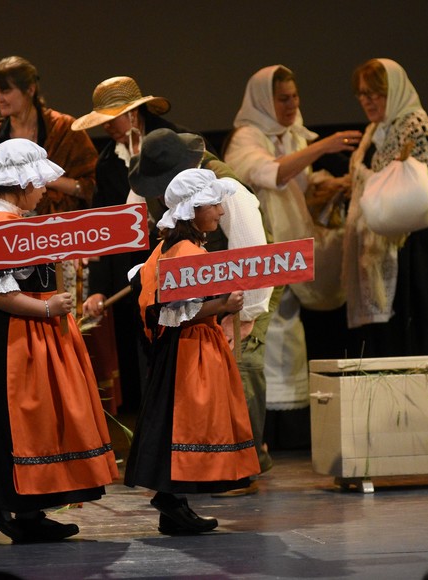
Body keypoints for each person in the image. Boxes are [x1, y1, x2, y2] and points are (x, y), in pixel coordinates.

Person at [0, 139, 118, 543]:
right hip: (15, 338)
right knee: (22, 421)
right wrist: (46, 309)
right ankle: (17, 507)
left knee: (23, 423)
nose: (45, 189)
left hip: (15, 336)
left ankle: (28, 511)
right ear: (20, 182)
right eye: (39, 182)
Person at [125, 128, 275, 479]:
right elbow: (171, 298)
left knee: (242, 368)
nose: (219, 211)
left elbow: (252, 253)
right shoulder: (183, 244)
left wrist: (247, 312)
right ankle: (205, 469)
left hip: (242, 291)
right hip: (200, 314)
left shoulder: (228, 192)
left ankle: (245, 463)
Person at [224, 65, 362, 444]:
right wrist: (324, 145)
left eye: (295, 97)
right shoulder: (246, 137)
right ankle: (264, 430)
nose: (291, 104)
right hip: (259, 249)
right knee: (267, 332)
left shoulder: (291, 135)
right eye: (283, 98)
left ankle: (292, 427)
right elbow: (273, 174)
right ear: (265, 101)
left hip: (289, 249)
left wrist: (333, 183)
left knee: (290, 332)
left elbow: (301, 184)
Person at [125, 168, 260, 535]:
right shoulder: (184, 251)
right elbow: (173, 314)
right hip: (188, 350)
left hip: (192, 347)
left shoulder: (181, 246)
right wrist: (224, 307)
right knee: (184, 423)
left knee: (176, 425)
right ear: (194, 209)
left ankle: (173, 506)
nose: (220, 210)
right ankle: (171, 500)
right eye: (214, 204)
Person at [74, 75, 211, 412]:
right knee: (142, 350)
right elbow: (106, 227)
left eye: (113, 119)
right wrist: (100, 288)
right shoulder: (107, 163)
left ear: (134, 113)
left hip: (179, 258)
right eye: (103, 122)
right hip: (132, 269)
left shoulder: (176, 142)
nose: (108, 128)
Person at [344, 58, 428, 357]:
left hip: (422, 244)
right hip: (397, 242)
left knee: (426, 321)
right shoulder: (378, 132)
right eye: (361, 94)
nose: (366, 100)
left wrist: (405, 179)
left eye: (374, 93)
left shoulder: (414, 125)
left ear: (395, 91)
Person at [0, 56, 97, 215]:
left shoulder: (65, 130)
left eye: (5, 91)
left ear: (30, 89)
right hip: (9, 230)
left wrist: (49, 180)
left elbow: (93, 186)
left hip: (64, 228)